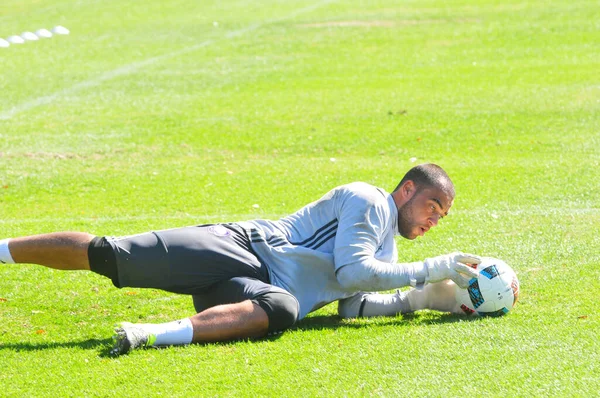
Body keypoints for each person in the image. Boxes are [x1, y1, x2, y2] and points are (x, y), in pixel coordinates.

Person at [0, 163, 480, 355]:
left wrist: (425, 301)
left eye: (442, 216)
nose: (433, 221)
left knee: (285, 309)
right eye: (432, 207)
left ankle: (146, 335)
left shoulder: (389, 251)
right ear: (407, 189)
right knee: (107, 254)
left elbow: (351, 302)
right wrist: (431, 269)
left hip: (251, 294)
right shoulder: (369, 200)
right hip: (241, 246)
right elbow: (353, 272)